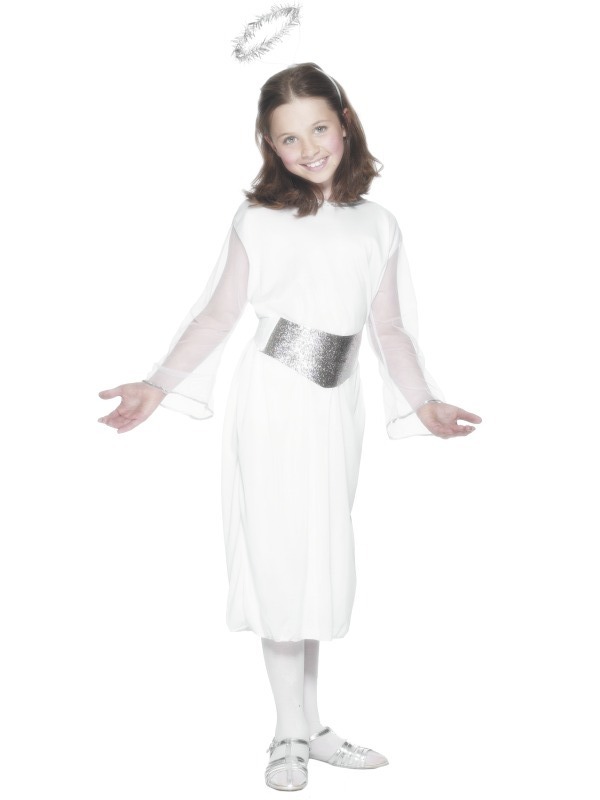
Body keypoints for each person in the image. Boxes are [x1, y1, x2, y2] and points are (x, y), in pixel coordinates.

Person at [98, 62, 482, 791]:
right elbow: (217, 314)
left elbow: (390, 329)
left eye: (318, 128)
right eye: (288, 139)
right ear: (268, 146)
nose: (308, 149)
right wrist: (157, 384)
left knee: (316, 564)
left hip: (338, 407)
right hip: (273, 400)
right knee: (279, 562)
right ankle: (287, 733)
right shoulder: (258, 219)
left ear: (344, 121)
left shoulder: (379, 224)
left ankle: (311, 727)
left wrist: (424, 402)